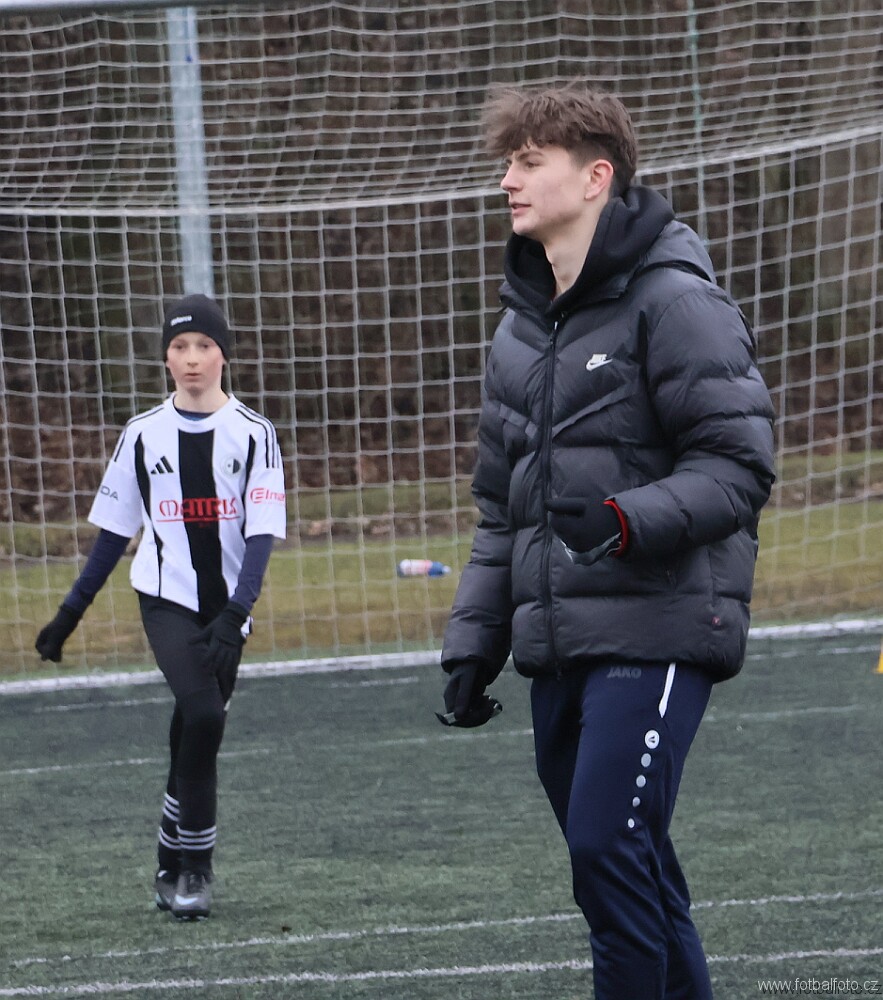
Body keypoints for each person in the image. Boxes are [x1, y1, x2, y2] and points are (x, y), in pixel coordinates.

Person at [439, 84, 775, 999]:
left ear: (595, 178)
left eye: (527, 162)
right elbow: (501, 509)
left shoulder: (676, 302)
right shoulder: (518, 327)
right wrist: (475, 641)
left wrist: (626, 519)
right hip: (559, 644)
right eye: (507, 163)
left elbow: (738, 466)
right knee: (630, 866)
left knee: (605, 845)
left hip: (659, 625)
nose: (506, 180)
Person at [36, 294, 286, 921]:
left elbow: (261, 535)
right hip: (165, 598)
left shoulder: (255, 434)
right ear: (166, 359)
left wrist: (237, 612)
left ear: (224, 355)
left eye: (204, 345)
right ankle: (196, 869)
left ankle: (168, 857)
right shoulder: (142, 435)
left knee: (192, 734)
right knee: (203, 716)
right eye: (180, 347)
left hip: (228, 610)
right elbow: (114, 535)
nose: (192, 358)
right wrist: (69, 615)